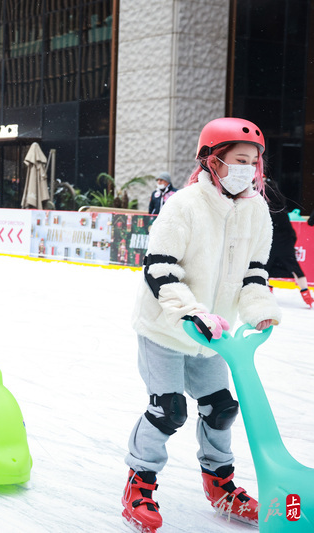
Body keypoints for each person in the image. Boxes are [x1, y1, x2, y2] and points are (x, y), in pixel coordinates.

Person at [123, 117, 281, 532]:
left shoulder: (257, 210)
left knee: (222, 407)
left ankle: (221, 484)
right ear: (213, 161)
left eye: (252, 161)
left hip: (214, 337)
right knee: (168, 410)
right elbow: (158, 268)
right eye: (238, 160)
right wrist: (191, 312)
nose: (247, 168)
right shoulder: (184, 205)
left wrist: (259, 308)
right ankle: (140, 482)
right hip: (165, 328)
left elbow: (255, 273)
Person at [264, 177, 313, 308]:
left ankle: (267, 291)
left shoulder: (265, 209)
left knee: (264, 268)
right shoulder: (281, 206)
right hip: (285, 242)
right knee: (294, 268)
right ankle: (305, 294)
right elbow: (291, 232)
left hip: (272, 242)